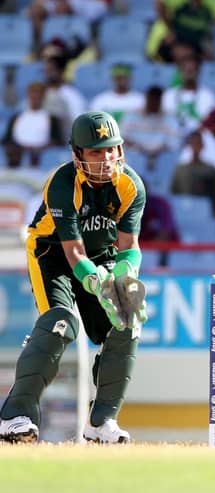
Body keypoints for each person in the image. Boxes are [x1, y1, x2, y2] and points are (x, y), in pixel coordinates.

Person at [0, 111, 147, 444]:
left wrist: (124, 276)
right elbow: (74, 254)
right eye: (96, 152)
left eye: (111, 149)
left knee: (128, 320)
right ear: (77, 154)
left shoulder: (131, 186)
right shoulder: (63, 183)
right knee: (60, 323)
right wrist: (97, 283)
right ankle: (14, 416)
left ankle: (101, 422)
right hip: (53, 256)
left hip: (102, 256)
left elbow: (130, 247)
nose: (106, 159)